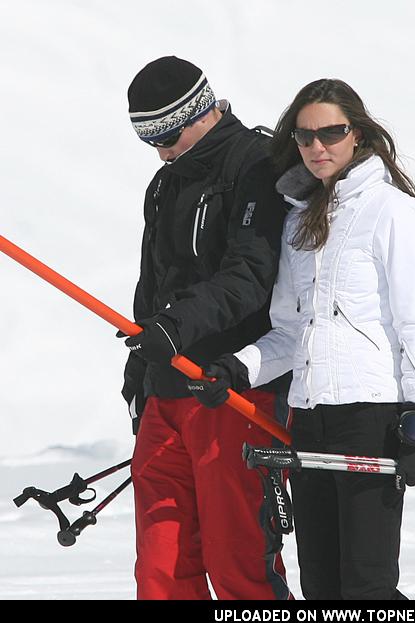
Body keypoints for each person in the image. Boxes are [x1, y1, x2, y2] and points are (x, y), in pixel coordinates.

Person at [189, 78, 415, 600]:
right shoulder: (299, 223)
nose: (317, 147)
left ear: (358, 133)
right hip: (307, 419)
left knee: (367, 589)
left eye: (331, 132)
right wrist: (237, 369)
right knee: (322, 589)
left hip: (370, 417)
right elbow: (288, 331)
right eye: (306, 137)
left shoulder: (391, 211)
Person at [119, 56, 292, 600]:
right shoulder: (166, 182)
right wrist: (138, 372)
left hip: (231, 390)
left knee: (238, 559)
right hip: (166, 391)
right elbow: (153, 284)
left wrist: (175, 328)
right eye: (152, 143)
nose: (163, 151)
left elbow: (250, 275)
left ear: (200, 112)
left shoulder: (257, 167)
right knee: (162, 569)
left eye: (168, 136)